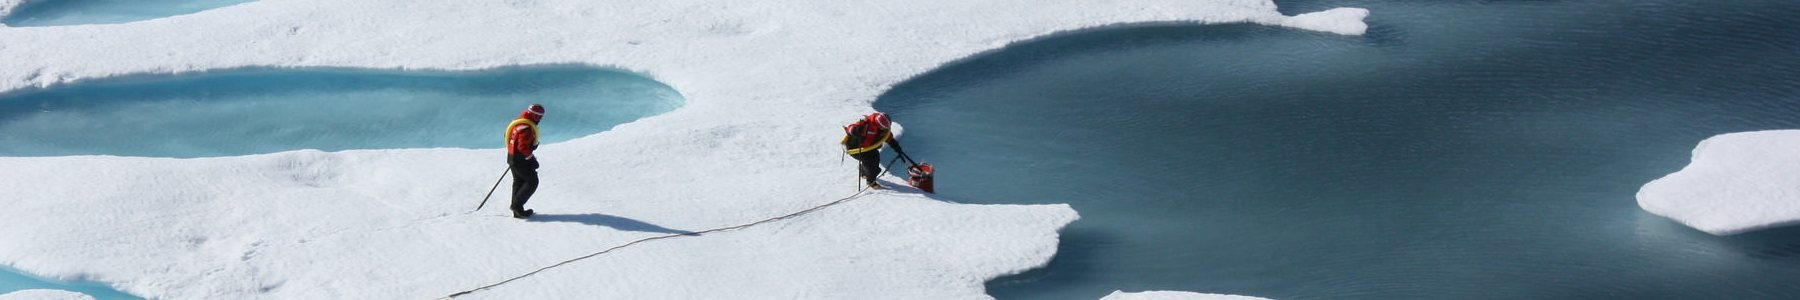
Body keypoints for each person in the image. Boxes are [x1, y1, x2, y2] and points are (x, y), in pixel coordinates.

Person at [842, 112, 907, 189]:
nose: (884, 129)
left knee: (874, 159)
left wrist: (897, 147)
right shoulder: (866, 124)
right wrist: (854, 130)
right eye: (882, 127)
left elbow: (888, 138)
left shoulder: (883, 130)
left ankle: (863, 171)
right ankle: (871, 181)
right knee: (873, 166)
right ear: (878, 124)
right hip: (856, 149)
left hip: (868, 148)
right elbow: (850, 128)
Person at [506, 104, 546, 219]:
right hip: (520, 159)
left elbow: (507, 135)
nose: (540, 119)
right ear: (535, 116)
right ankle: (516, 206)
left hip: (511, 157)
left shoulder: (518, 122)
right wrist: (531, 158)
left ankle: (517, 211)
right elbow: (522, 147)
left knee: (518, 181)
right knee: (532, 181)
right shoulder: (527, 128)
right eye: (540, 117)